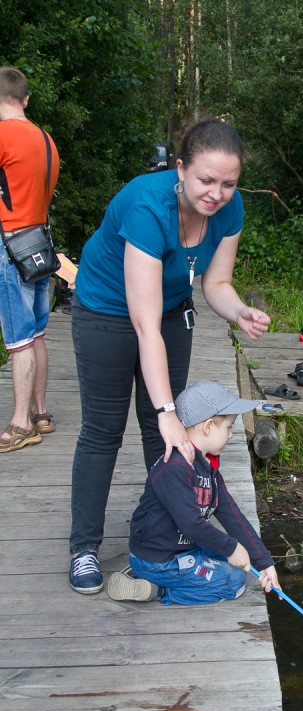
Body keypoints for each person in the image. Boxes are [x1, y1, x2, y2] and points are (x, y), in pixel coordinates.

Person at [69, 118, 270, 594]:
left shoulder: (229, 208)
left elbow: (215, 283)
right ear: (181, 168)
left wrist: (238, 310)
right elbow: (143, 323)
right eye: (205, 180)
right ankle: (83, 549)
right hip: (107, 309)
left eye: (228, 183)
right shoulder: (145, 205)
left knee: (169, 440)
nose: (216, 193)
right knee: (105, 428)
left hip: (171, 308)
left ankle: (161, 541)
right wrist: (166, 411)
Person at [107, 380, 280, 604]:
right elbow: (191, 524)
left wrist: (263, 561)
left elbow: (232, 515)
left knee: (239, 563)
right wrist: (232, 547)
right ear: (208, 426)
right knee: (234, 582)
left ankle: (154, 578)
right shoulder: (175, 468)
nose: (230, 435)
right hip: (159, 558)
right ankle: (156, 589)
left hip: (182, 551)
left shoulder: (208, 468)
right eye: (228, 427)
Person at [0, 67, 60, 453]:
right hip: (40, 241)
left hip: (9, 246)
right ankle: (40, 412)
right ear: (25, 98)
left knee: (19, 338)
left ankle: (21, 424)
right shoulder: (46, 139)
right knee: (37, 332)